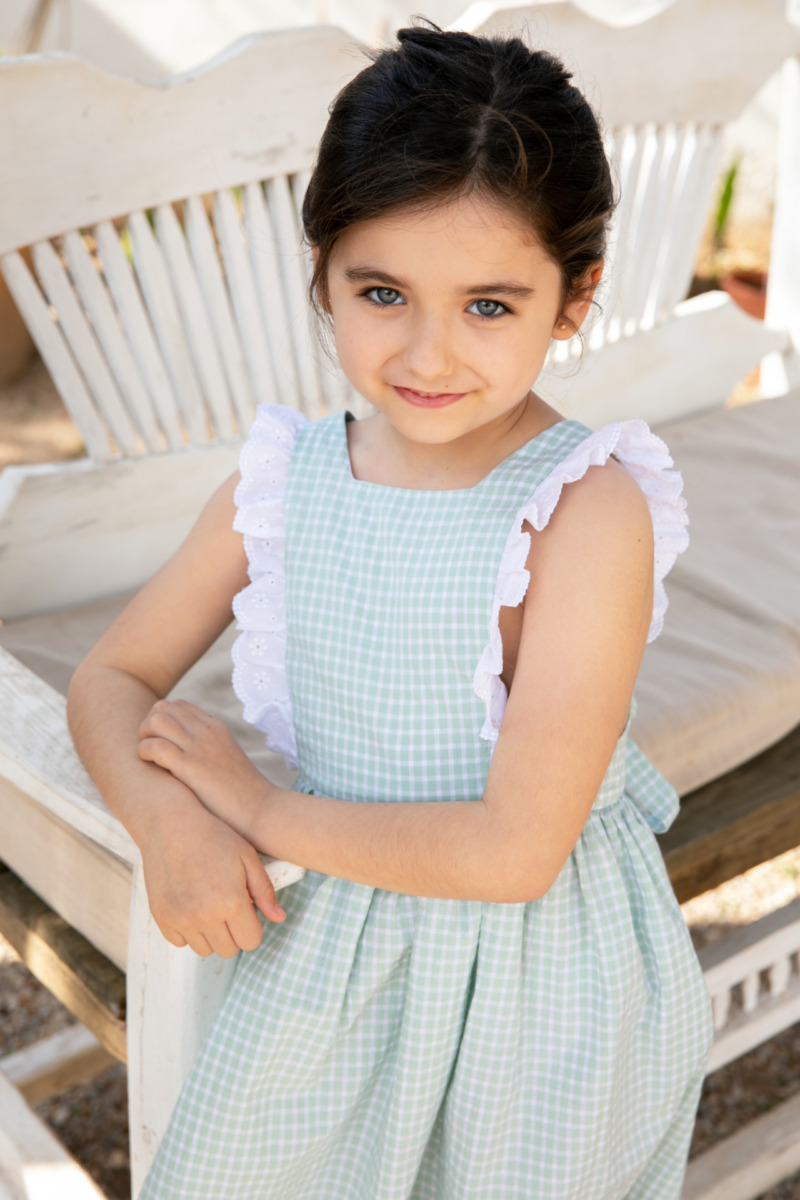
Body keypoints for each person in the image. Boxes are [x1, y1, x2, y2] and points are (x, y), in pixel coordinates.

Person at [67, 22, 713, 1200]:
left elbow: (515, 854)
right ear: (320, 273)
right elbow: (110, 680)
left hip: (535, 981)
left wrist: (257, 805)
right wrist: (173, 826)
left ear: (573, 299)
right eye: (380, 292)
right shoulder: (284, 481)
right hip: (334, 950)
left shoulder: (585, 512)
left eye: (487, 305)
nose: (426, 354)